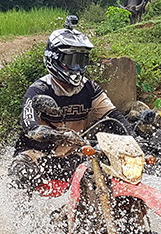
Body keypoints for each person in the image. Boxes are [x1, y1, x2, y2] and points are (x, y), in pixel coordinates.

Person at [8, 16, 133, 192]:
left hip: (73, 156)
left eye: (81, 62)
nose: (76, 69)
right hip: (37, 155)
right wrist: (63, 136)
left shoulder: (89, 88)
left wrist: (134, 138)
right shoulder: (38, 90)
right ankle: (20, 218)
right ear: (54, 59)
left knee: (106, 172)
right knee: (20, 172)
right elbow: (31, 128)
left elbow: (114, 117)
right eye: (71, 61)